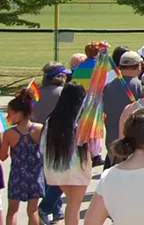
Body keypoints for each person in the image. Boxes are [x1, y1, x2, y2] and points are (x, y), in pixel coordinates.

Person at [41, 83, 92, 225]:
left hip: (58, 167)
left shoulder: (51, 120)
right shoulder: (82, 121)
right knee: (74, 206)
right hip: (79, 167)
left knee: (71, 204)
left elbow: (43, 147)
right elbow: (93, 148)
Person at [32, 62, 71, 222]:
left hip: (39, 138)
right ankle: (46, 207)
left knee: (48, 174)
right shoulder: (64, 94)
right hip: (59, 138)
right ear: (58, 77)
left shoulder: (36, 94)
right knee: (59, 176)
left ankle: (56, 209)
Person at [2, 87, 45, 225]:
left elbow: (3, 157)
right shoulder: (40, 129)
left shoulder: (9, 134)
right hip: (35, 174)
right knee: (32, 211)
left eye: (10, 114)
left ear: (19, 114)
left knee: (12, 211)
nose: (8, 117)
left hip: (17, 176)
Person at [103, 50, 144, 153]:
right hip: (132, 140)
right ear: (139, 66)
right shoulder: (139, 87)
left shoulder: (108, 86)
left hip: (112, 139)